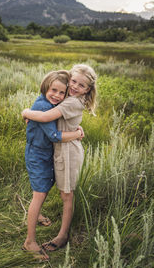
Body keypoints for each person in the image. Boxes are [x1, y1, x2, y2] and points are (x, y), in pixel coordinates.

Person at [22, 64, 97, 252]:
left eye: (81, 85)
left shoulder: (71, 101)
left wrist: (26, 112)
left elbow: (47, 117)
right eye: (73, 81)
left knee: (66, 194)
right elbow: (46, 108)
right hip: (57, 149)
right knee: (49, 189)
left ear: (88, 89)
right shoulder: (65, 96)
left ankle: (63, 235)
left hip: (68, 151)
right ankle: (37, 218)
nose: (75, 87)